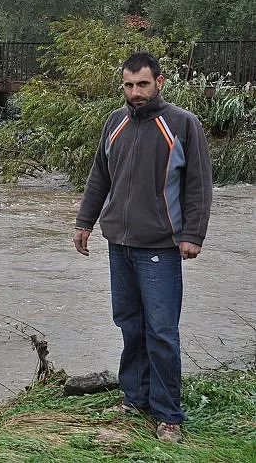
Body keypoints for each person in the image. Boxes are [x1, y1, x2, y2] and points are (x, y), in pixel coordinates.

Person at [72, 52, 212, 444]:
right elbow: (99, 176)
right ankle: (135, 400)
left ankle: (169, 416)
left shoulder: (182, 124)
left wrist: (193, 235)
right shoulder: (114, 123)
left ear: (159, 83)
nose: (135, 92)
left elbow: (199, 185)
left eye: (143, 85)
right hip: (119, 243)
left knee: (162, 332)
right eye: (129, 85)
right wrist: (85, 222)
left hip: (161, 247)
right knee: (129, 325)